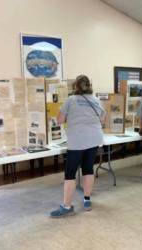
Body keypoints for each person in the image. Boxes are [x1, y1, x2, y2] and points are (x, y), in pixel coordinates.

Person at [50, 75, 105, 218]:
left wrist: (72, 117)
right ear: (89, 86)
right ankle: (87, 201)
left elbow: (60, 120)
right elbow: (102, 120)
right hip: (94, 138)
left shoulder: (71, 100)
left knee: (70, 173)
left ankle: (67, 207)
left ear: (75, 86)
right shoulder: (96, 100)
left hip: (77, 140)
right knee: (88, 169)